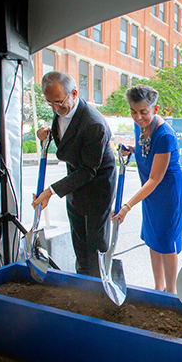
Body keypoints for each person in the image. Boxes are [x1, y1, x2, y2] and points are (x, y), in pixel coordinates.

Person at [33, 71, 116, 278]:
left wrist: (51, 191)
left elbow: (88, 170)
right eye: (49, 103)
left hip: (97, 185)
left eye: (59, 102)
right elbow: (68, 136)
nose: (55, 108)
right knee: (78, 237)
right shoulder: (60, 109)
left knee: (95, 243)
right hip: (75, 182)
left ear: (74, 93)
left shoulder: (93, 124)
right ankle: (82, 284)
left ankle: (98, 289)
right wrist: (46, 132)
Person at [112, 85, 182, 294]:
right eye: (133, 112)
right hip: (150, 192)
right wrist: (132, 151)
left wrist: (127, 206)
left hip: (166, 191)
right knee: (153, 238)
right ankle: (157, 287)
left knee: (166, 240)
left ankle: (170, 292)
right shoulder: (139, 125)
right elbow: (146, 151)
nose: (138, 117)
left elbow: (155, 178)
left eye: (143, 112)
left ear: (155, 108)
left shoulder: (165, 135)